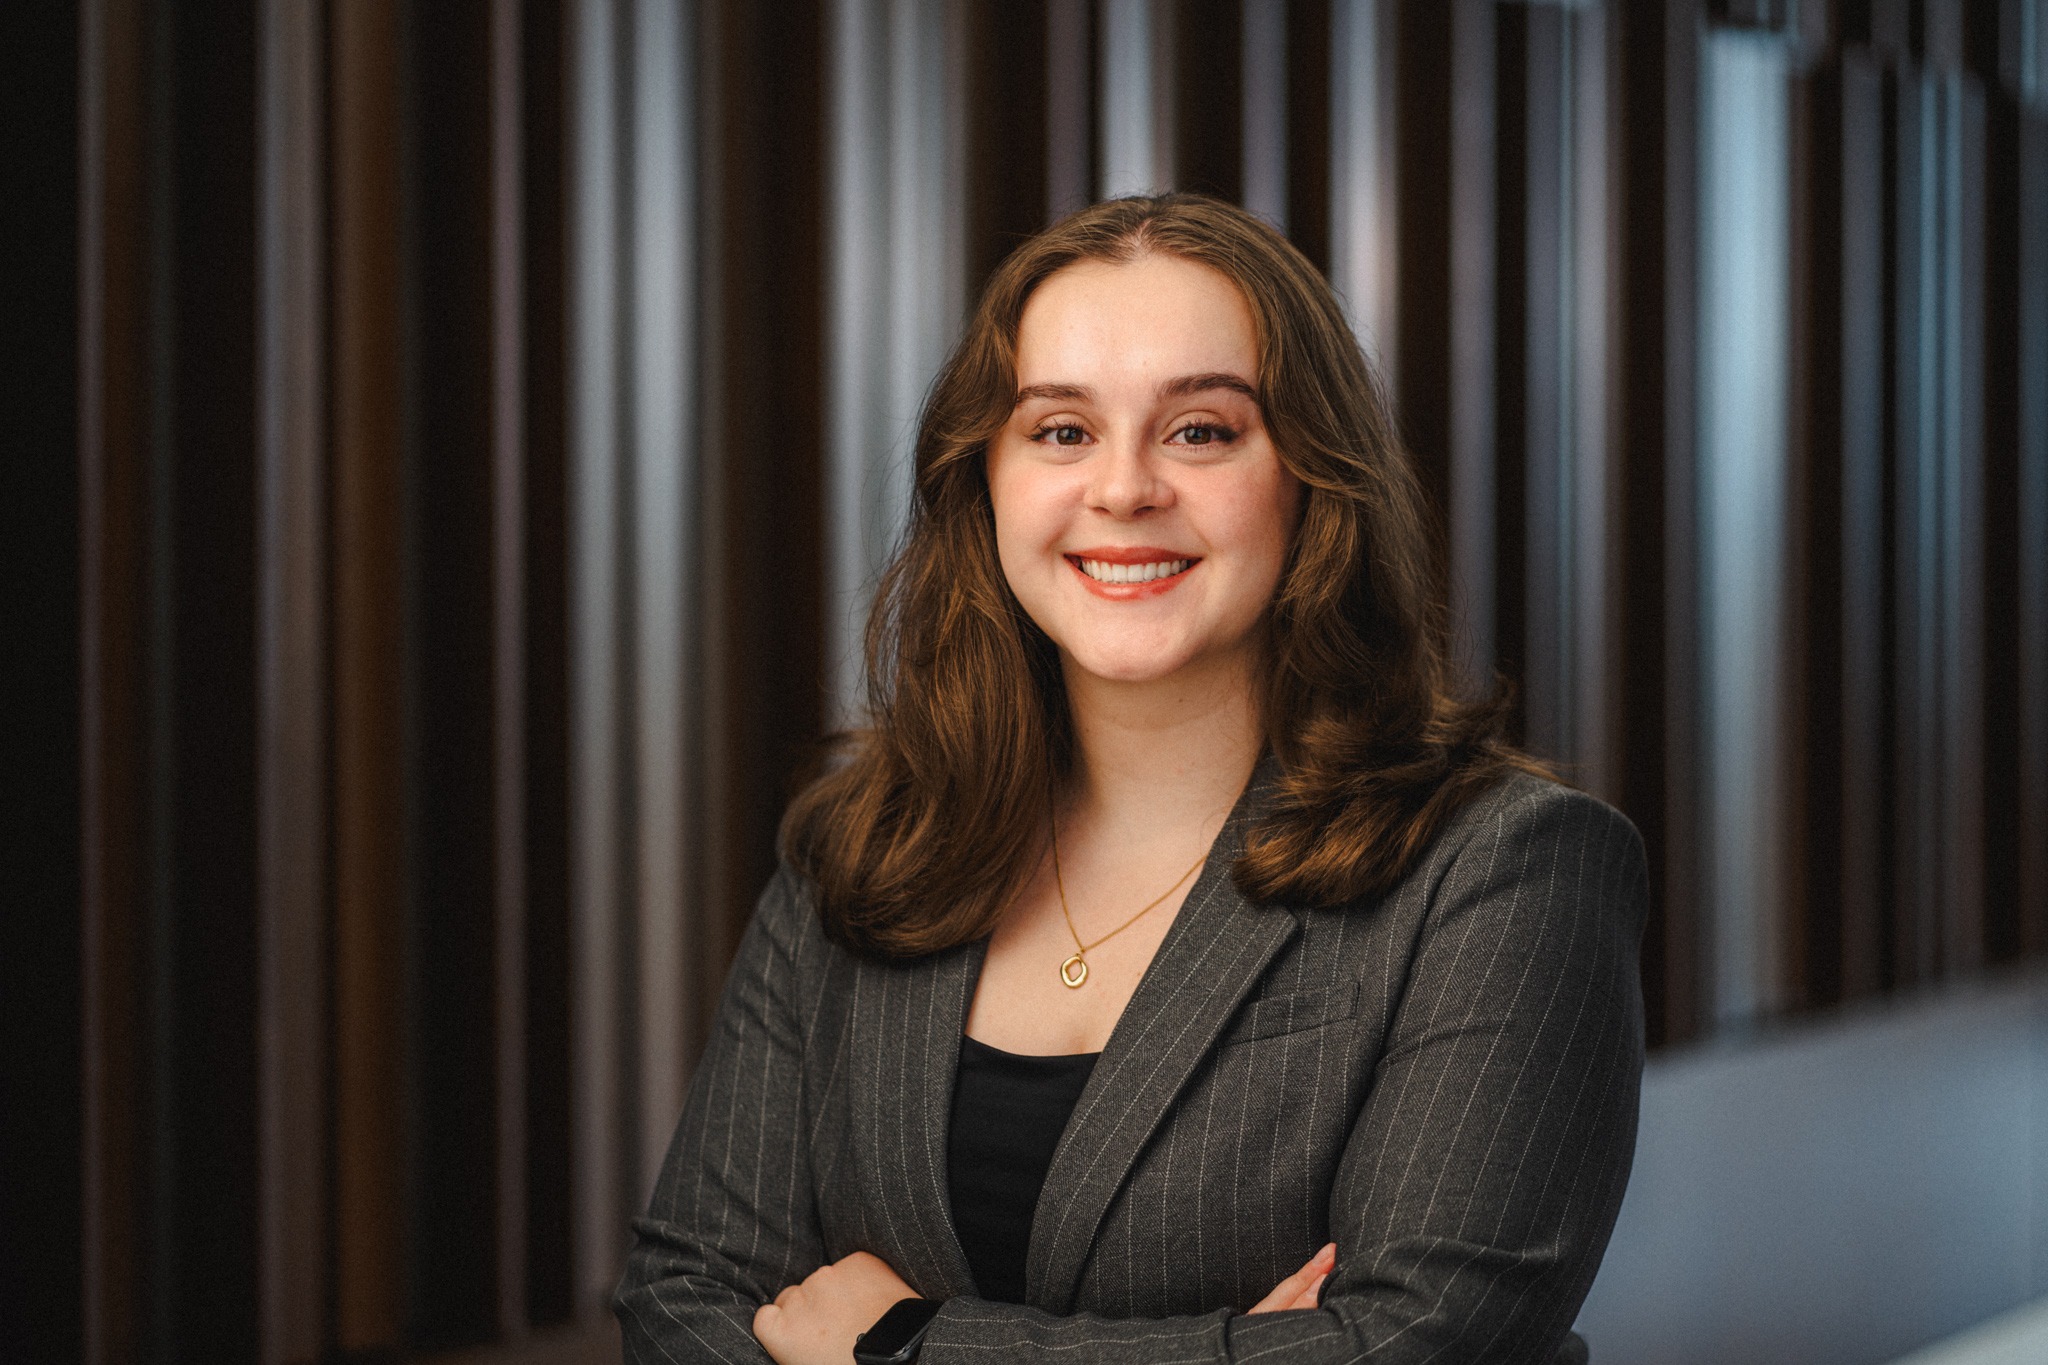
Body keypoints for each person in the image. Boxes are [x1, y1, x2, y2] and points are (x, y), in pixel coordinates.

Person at [614, 194, 1645, 1365]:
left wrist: (899, 1344)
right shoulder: (864, 843)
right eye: (1060, 431)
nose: (1122, 489)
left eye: (1200, 430)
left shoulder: (1503, 871)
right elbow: (685, 1292)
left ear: (1312, 475)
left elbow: (1414, 1343)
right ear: (984, 480)